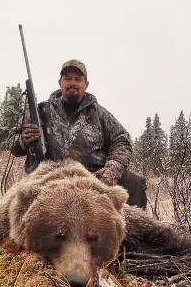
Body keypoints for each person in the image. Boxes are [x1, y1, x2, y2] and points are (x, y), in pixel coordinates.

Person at [10, 59, 147, 209]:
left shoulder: (99, 114)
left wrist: (111, 170)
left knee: (135, 183)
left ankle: (133, 231)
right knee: (12, 207)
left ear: (86, 84)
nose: (72, 83)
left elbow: (122, 141)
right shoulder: (39, 112)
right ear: (59, 83)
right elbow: (11, 143)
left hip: (92, 179)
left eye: (78, 79)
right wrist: (23, 140)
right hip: (48, 179)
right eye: (67, 78)